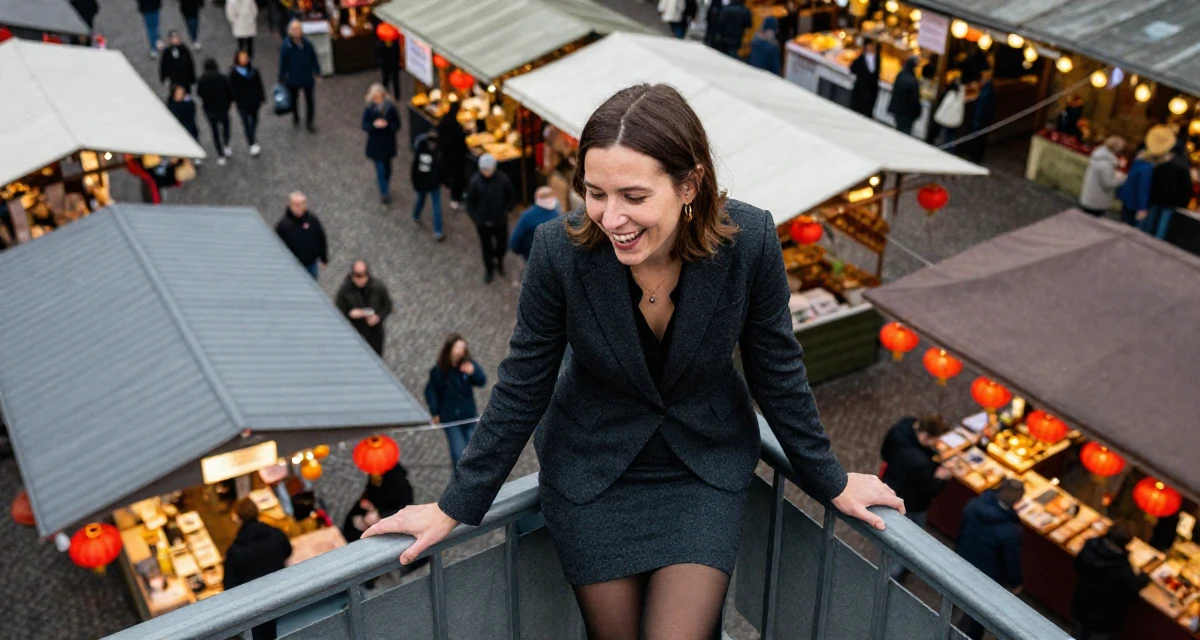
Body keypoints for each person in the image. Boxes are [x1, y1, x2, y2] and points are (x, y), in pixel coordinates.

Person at [362, 83, 903, 640]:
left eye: (634, 197)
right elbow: (523, 384)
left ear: (689, 183)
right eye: (595, 193)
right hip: (593, 471)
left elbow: (778, 370)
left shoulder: (751, 241)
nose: (610, 217)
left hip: (701, 470)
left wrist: (830, 480)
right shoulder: (558, 252)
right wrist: (452, 507)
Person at [880, 414, 951, 578]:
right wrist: (941, 477)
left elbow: (885, 453)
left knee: (894, 533)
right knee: (906, 538)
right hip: (911, 503)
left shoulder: (904, 426)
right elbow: (931, 489)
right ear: (927, 436)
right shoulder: (919, 462)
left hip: (892, 485)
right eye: (935, 440)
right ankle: (895, 574)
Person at [955, 478, 1025, 639]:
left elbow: (961, 529)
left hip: (963, 559)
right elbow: (1011, 561)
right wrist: (1016, 583)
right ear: (1018, 500)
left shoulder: (975, 505)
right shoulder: (1010, 530)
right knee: (975, 616)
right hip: (986, 576)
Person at [223, 498, 293, 640]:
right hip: (281, 594)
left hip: (254, 606)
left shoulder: (236, 550)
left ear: (238, 518)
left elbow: (229, 585)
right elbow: (287, 550)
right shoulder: (275, 533)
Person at [1071, 522, 1150, 640]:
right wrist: (1143, 579)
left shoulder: (1091, 545)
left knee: (1077, 633)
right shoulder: (1123, 568)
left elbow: (1078, 566)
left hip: (1082, 604)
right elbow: (1130, 592)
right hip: (1103, 618)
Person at [423, 334, 486, 471]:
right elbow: (431, 392)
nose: (460, 351)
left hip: (469, 415)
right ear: (450, 349)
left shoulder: (468, 364)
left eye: (462, 348)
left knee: (473, 451)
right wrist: (435, 412)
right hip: (451, 419)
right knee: (458, 453)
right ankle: (459, 484)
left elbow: (481, 380)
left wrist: (473, 372)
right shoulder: (439, 371)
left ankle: (474, 480)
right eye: (457, 347)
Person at [466, 153, 517, 283]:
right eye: (484, 170)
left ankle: (499, 261)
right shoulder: (475, 182)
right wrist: (476, 218)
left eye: (488, 169)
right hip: (483, 223)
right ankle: (489, 269)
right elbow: (470, 203)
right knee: (486, 247)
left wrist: (506, 210)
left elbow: (511, 195)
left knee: (502, 245)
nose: (486, 172)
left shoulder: (502, 179)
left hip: (499, 221)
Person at [343, 464, 416, 544]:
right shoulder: (376, 472)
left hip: (390, 515)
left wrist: (380, 515)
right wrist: (366, 499)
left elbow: (404, 509)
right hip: (374, 507)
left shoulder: (398, 482)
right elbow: (371, 488)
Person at [1144, 125, 1193, 240]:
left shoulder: (1162, 162)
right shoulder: (1183, 165)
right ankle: (1157, 242)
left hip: (1156, 196)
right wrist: (1183, 202)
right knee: (1163, 224)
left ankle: (1144, 238)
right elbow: (1186, 186)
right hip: (1171, 201)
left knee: (1150, 221)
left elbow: (1154, 179)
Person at [335, 260, 393, 356]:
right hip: (355, 334)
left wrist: (378, 317)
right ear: (352, 275)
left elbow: (387, 306)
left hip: (375, 335)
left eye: (363, 276)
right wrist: (350, 314)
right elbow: (337, 313)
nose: (360, 280)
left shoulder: (378, 288)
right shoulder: (345, 291)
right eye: (357, 276)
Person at [362, 83, 402, 204]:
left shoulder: (391, 108)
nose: (378, 100)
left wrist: (388, 125)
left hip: (388, 143)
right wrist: (374, 125)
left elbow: (397, 124)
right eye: (376, 97)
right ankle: (384, 191)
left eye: (380, 97)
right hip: (376, 144)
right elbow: (364, 125)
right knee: (380, 168)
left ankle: (385, 183)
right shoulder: (369, 109)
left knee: (388, 168)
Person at [279, 20, 320, 133]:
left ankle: (309, 121)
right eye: (294, 30)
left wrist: (317, 71)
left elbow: (314, 58)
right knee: (293, 99)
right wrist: (281, 77)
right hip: (293, 77)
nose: (296, 32)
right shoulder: (286, 46)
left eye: (298, 29)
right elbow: (283, 62)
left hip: (306, 76)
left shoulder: (307, 44)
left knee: (310, 101)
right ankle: (295, 116)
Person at [275, 191, 328, 279]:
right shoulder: (283, 226)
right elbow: (276, 246)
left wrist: (323, 258)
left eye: (301, 204)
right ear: (290, 205)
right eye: (296, 204)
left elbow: (321, 238)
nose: (299, 207)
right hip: (292, 267)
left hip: (311, 265)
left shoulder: (312, 220)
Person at [196, 58, 234, 166]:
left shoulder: (202, 79)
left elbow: (199, 93)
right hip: (222, 108)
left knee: (215, 131)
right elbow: (229, 91)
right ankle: (226, 144)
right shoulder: (222, 77)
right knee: (226, 126)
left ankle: (220, 154)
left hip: (209, 109)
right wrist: (230, 101)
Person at [510, 187, 562, 262]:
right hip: (553, 259)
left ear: (537, 197)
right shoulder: (557, 215)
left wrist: (522, 252)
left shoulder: (527, 216)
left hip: (532, 257)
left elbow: (514, 242)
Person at [229, 49, 265, 157]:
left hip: (253, 100)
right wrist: (233, 100)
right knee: (246, 123)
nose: (244, 60)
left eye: (245, 57)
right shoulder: (234, 73)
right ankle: (251, 143)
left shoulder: (253, 71)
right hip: (242, 102)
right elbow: (232, 88)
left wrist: (261, 97)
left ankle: (252, 136)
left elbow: (259, 84)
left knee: (254, 120)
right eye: (241, 58)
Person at [1079, 136, 1127, 216]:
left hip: (1090, 197)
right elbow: (1108, 183)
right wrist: (1121, 178)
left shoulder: (1099, 157)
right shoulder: (1106, 164)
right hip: (1096, 202)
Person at [411, 130, 445, 241]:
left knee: (422, 200)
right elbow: (440, 169)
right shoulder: (436, 154)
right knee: (436, 206)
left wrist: (415, 182)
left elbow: (414, 169)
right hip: (432, 183)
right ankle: (438, 231)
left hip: (423, 182)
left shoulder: (420, 151)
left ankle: (416, 216)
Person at [437, 101, 470, 209]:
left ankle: (455, 193)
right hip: (456, 156)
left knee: (452, 175)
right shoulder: (456, 126)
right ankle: (455, 198)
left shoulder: (444, 120)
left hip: (447, 154)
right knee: (457, 177)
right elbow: (461, 141)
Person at [965, 68, 996, 164]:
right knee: (979, 139)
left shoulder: (987, 90)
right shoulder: (987, 89)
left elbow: (982, 106)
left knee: (978, 139)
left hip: (980, 119)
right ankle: (975, 156)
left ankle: (975, 157)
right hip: (982, 119)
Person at [888, 56, 922, 136]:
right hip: (907, 114)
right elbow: (914, 100)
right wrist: (917, 113)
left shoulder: (901, 74)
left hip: (898, 111)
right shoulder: (912, 81)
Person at [849, 40, 881, 118]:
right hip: (861, 87)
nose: (872, 48)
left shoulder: (877, 58)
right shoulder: (861, 58)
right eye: (871, 46)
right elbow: (853, 68)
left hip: (871, 89)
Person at [166, 84, 201, 155]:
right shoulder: (172, 103)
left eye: (182, 93)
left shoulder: (187, 102)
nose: (181, 95)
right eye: (179, 93)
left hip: (189, 125)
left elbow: (192, 111)